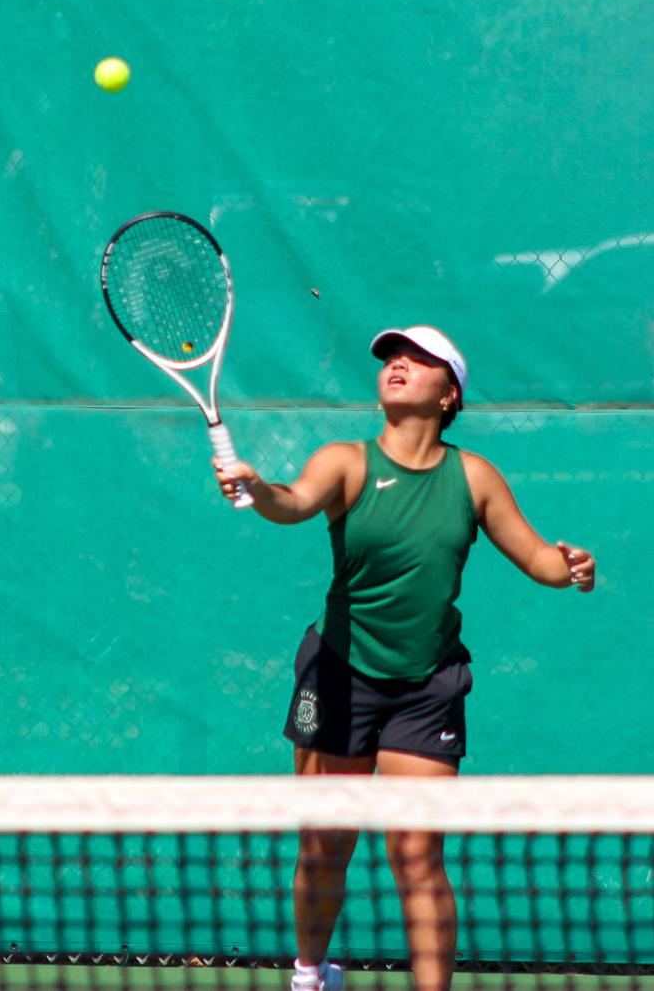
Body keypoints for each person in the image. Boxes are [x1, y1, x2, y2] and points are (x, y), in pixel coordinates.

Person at [212, 325, 596, 991]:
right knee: (326, 842)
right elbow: (292, 500)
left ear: (447, 394)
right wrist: (257, 484)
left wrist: (570, 568)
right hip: (339, 672)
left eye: (419, 360)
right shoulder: (346, 461)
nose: (397, 364)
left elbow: (537, 558)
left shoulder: (473, 477)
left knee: (417, 852)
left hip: (426, 684)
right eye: (392, 356)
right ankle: (309, 972)